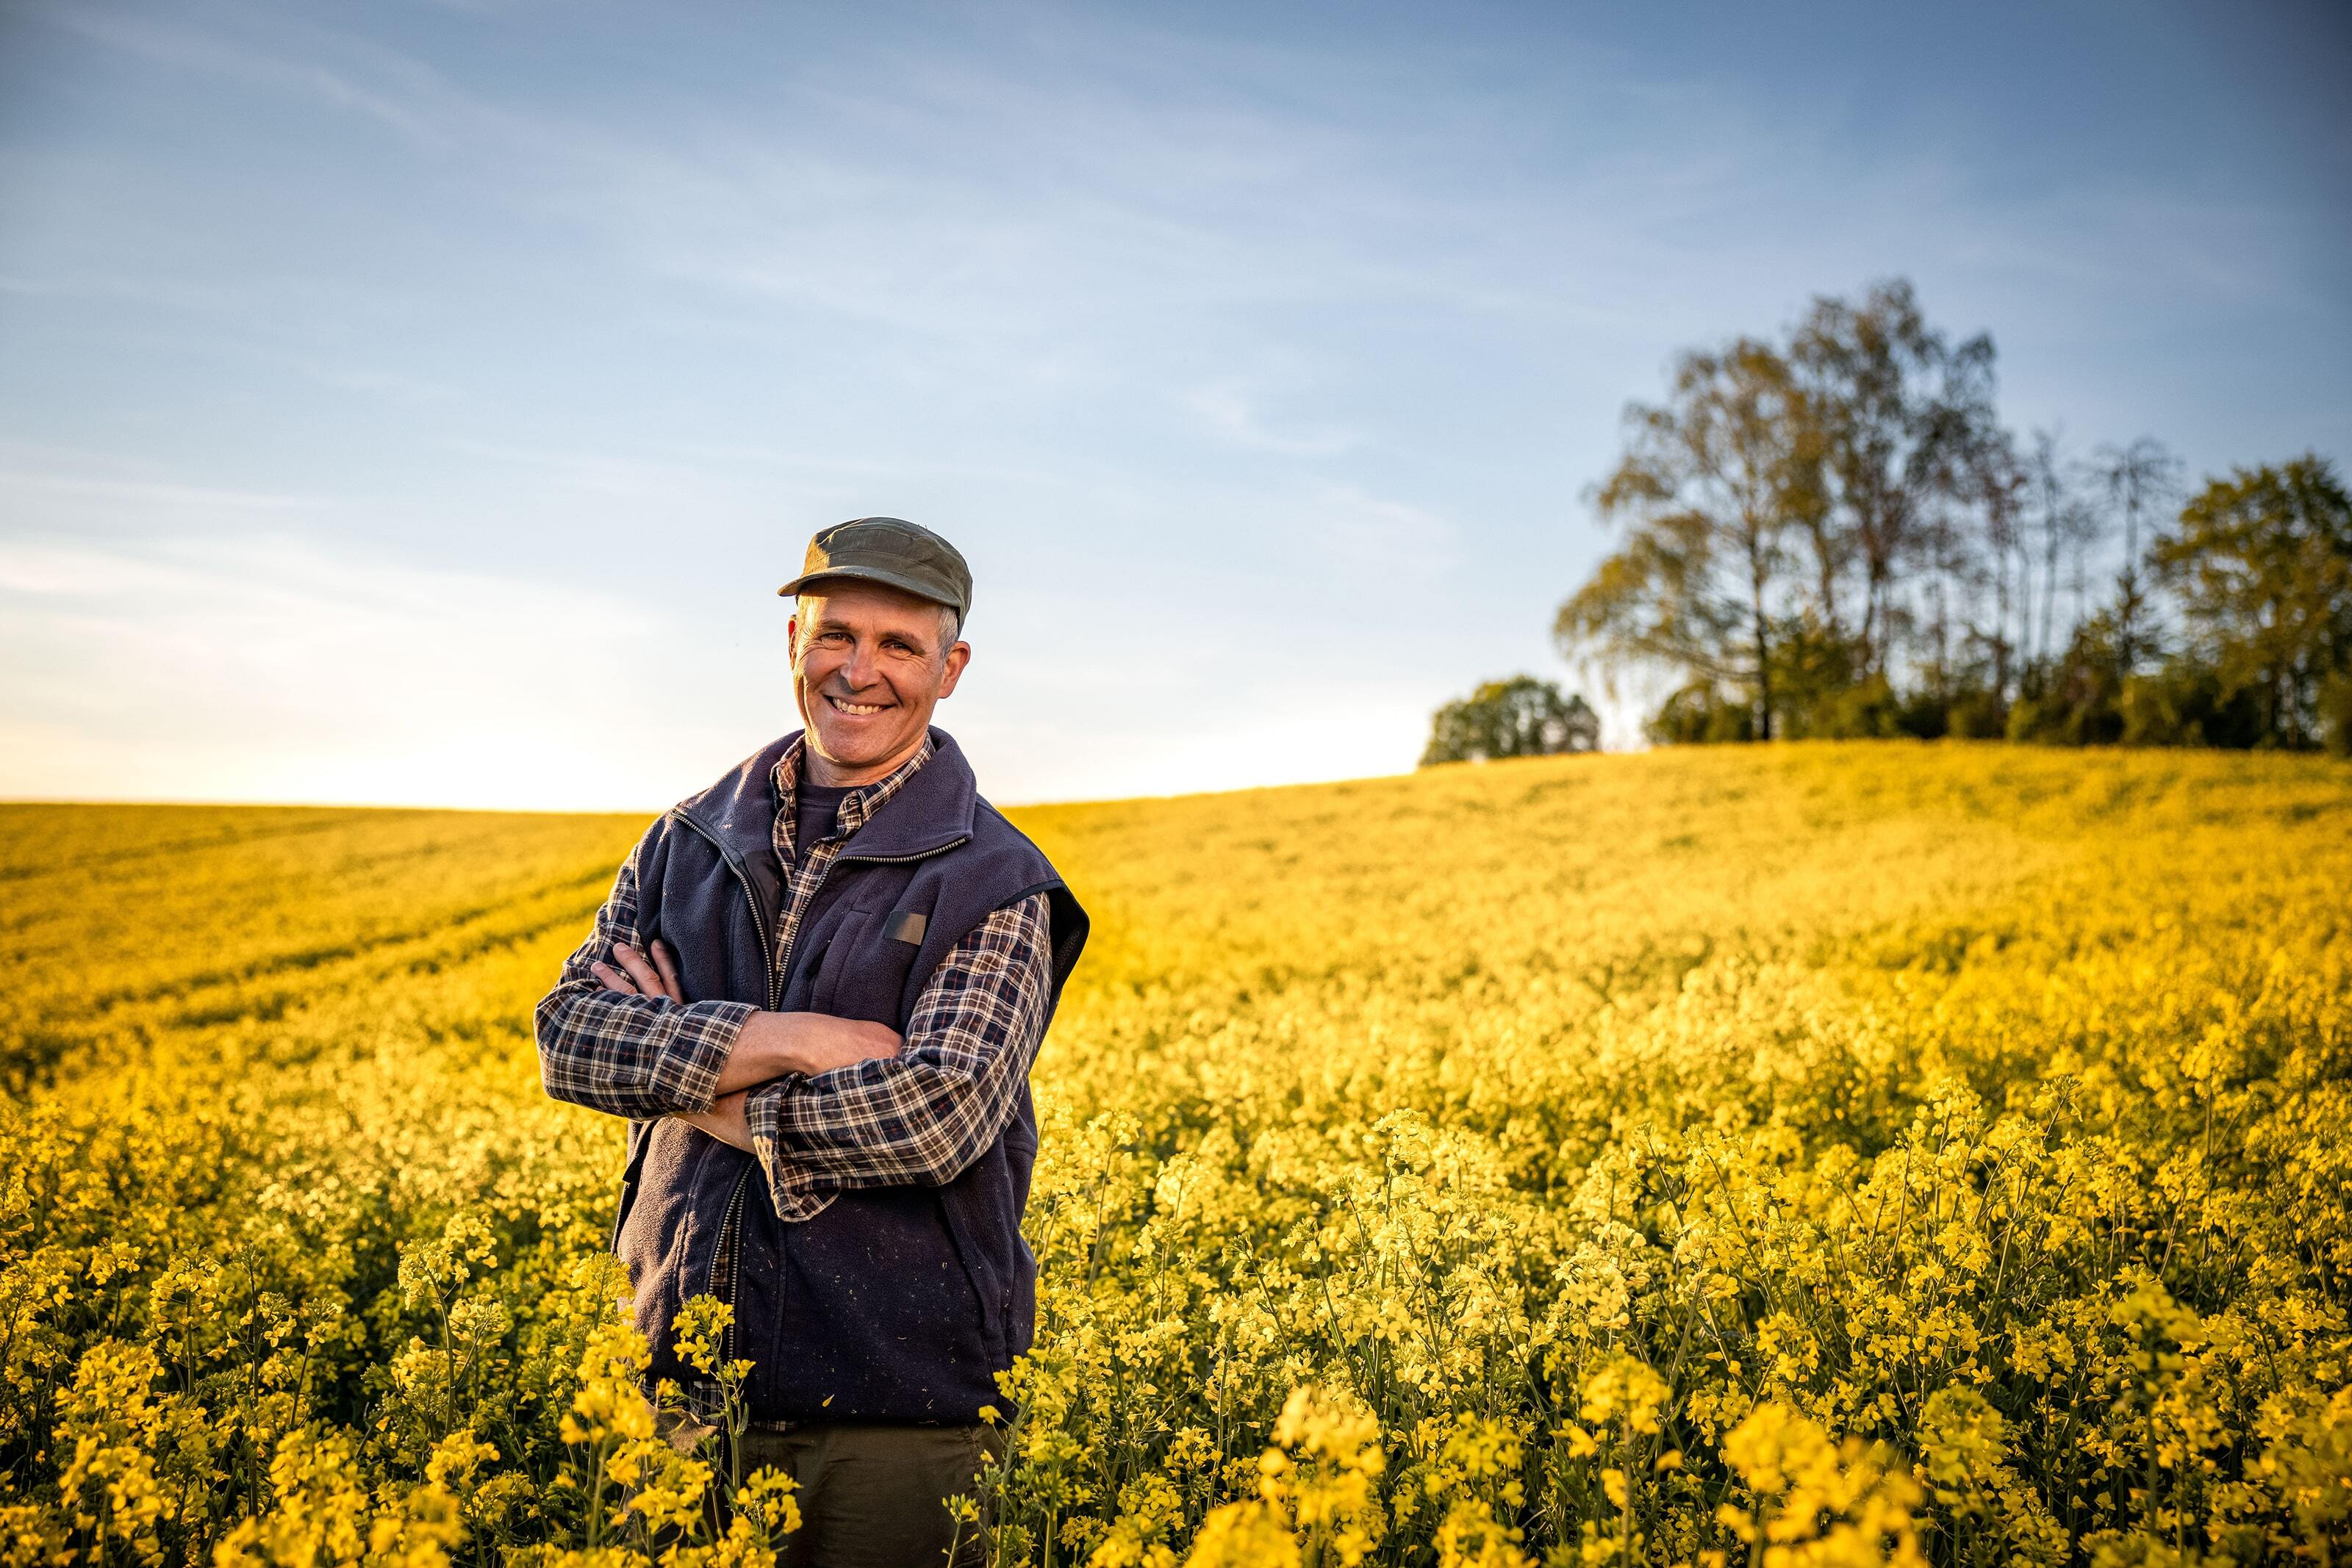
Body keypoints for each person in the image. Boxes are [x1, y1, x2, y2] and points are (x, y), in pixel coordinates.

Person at [534, 517, 1089, 1567]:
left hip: (895, 1404)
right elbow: (571, 1037)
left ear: (952, 668)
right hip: (676, 1388)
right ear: (794, 641)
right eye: (836, 635)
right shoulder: (688, 837)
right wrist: (797, 1036)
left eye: (899, 645)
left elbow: (936, 1117)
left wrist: (692, 1082)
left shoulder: (995, 877)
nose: (860, 671)